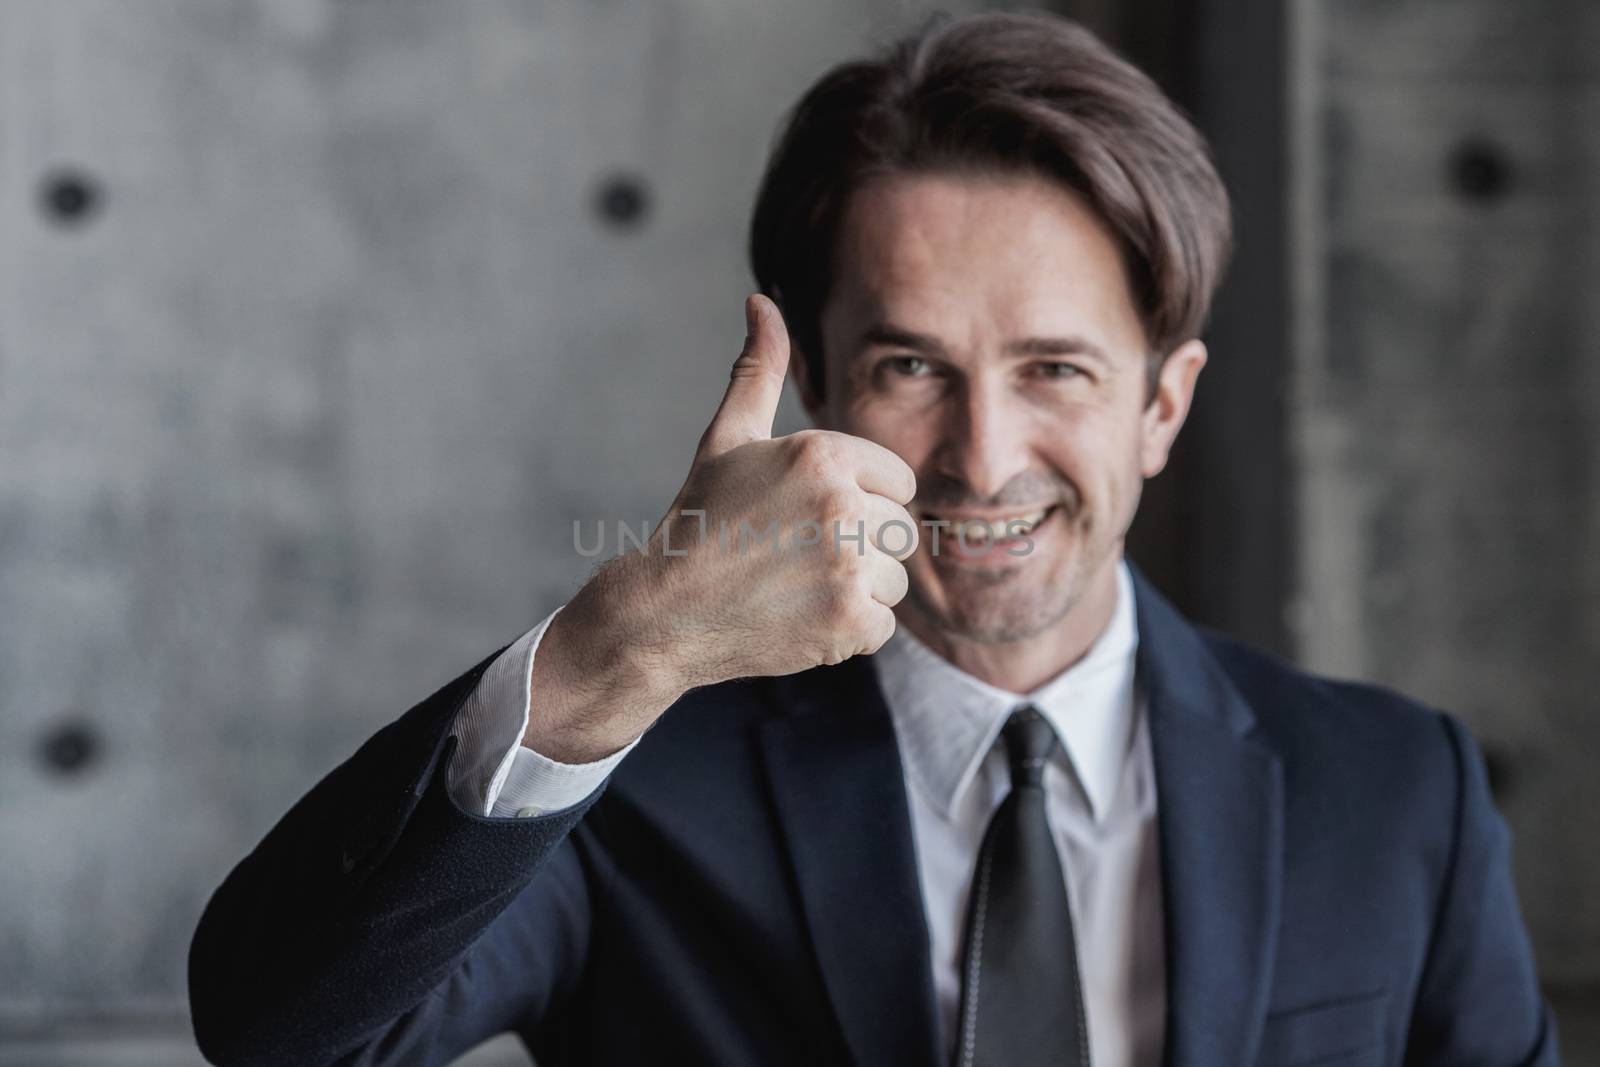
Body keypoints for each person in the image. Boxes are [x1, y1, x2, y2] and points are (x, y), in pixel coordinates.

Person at [188, 12, 1558, 1067]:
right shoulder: (634, 796)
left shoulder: (1394, 796)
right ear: (823, 397)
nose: (981, 455)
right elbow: (280, 1030)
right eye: (911, 367)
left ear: (1164, 402)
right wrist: (620, 647)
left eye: (1057, 371)